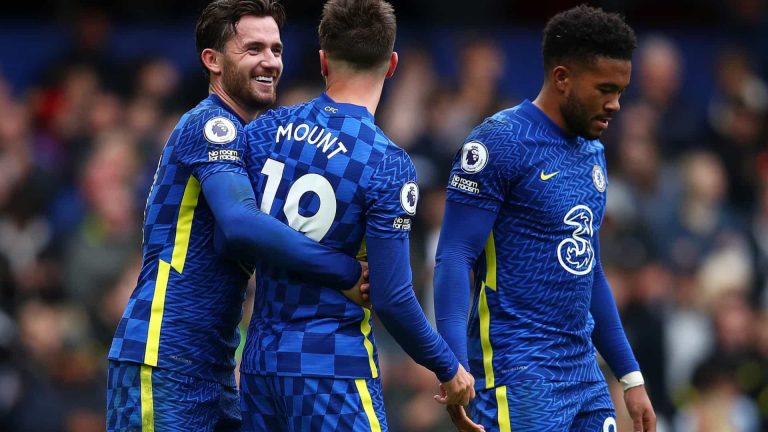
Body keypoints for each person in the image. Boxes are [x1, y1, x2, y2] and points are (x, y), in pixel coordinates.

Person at [106, 1, 369, 431]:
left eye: (276, 49)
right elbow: (240, 224)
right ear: (213, 60)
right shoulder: (211, 124)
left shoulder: (250, 140)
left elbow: (226, 241)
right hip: (163, 355)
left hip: (215, 364)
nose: (270, 61)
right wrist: (344, 271)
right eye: (253, 49)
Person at [237, 0, 475, 430]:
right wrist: (448, 366)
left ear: (323, 61)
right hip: (333, 368)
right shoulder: (386, 163)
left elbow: (234, 233)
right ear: (392, 65)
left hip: (258, 368)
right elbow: (392, 297)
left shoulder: (265, 131)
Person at [433, 5, 657, 432]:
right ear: (562, 78)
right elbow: (455, 255)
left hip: (584, 374)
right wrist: (453, 363)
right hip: (518, 372)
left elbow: (589, 269)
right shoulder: (500, 142)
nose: (615, 104)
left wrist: (630, 376)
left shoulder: (593, 152)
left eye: (621, 91)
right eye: (605, 89)